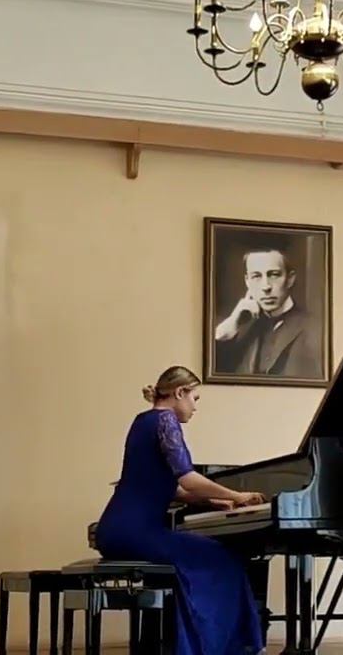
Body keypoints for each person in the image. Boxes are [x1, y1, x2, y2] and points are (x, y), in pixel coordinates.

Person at [94, 366, 267, 655]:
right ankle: (228, 647)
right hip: (138, 531)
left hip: (114, 528)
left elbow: (169, 488)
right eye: (194, 398)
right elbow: (188, 478)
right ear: (179, 392)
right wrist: (237, 495)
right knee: (225, 560)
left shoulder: (142, 421)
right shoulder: (166, 420)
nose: (195, 407)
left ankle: (188, 645)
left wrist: (213, 502)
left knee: (198, 562)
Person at [213, 246, 322, 378]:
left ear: (290, 279)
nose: (266, 286)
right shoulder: (239, 330)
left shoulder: (315, 329)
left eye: (274, 275)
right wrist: (229, 326)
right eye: (256, 276)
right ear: (247, 281)